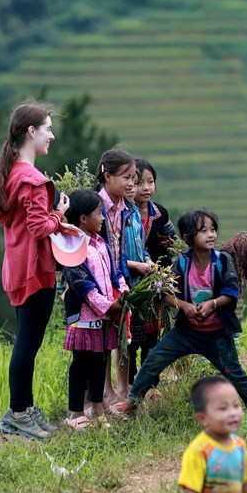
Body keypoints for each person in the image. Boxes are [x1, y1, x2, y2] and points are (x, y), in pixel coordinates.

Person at [110, 210, 247, 418]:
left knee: (234, 373)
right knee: (154, 360)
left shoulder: (222, 261)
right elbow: (165, 293)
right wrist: (183, 306)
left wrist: (212, 304)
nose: (210, 235)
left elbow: (231, 292)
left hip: (217, 334)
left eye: (212, 230)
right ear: (187, 237)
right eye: (203, 231)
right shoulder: (181, 264)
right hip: (187, 333)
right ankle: (132, 403)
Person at [0, 102, 69, 441]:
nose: (52, 135)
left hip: (16, 267)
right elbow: (39, 228)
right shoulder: (34, 180)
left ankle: (25, 406)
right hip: (36, 270)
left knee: (27, 341)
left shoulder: (10, 175)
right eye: (47, 128)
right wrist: (60, 214)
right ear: (30, 132)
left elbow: (0, 213)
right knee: (27, 344)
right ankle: (17, 413)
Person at [60, 190, 128, 431]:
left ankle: (97, 409)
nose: (102, 218)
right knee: (81, 363)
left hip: (105, 314)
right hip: (85, 316)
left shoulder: (101, 244)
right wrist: (107, 305)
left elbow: (114, 273)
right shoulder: (72, 247)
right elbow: (81, 284)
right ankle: (75, 412)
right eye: (98, 213)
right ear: (82, 219)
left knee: (100, 361)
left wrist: (123, 291)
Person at [95, 148, 154, 403]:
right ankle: (105, 391)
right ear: (107, 177)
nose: (132, 183)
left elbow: (119, 252)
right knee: (105, 339)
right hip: (100, 282)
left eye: (134, 178)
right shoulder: (97, 207)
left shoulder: (123, 208)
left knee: (123, 335)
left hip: (119, 279)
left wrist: (121, 279)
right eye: (127, 177)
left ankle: (122, 389)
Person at [126, 157, 176, 390]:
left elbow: (170, 246)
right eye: (139, 182)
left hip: (155, 285)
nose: (146, 188)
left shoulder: (160, 214)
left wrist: (168, 275)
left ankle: (150, 385)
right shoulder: (124, 214)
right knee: (129, 341)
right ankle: (128, 382)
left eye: (151, 182)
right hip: (131, 283)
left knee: (152, 338)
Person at [178, 376, 247, 493]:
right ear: (202, 418)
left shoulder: (239, 446)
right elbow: (190, 490)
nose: (233, 413)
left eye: (236, 405)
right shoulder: (199, 451)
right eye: (223, 408)